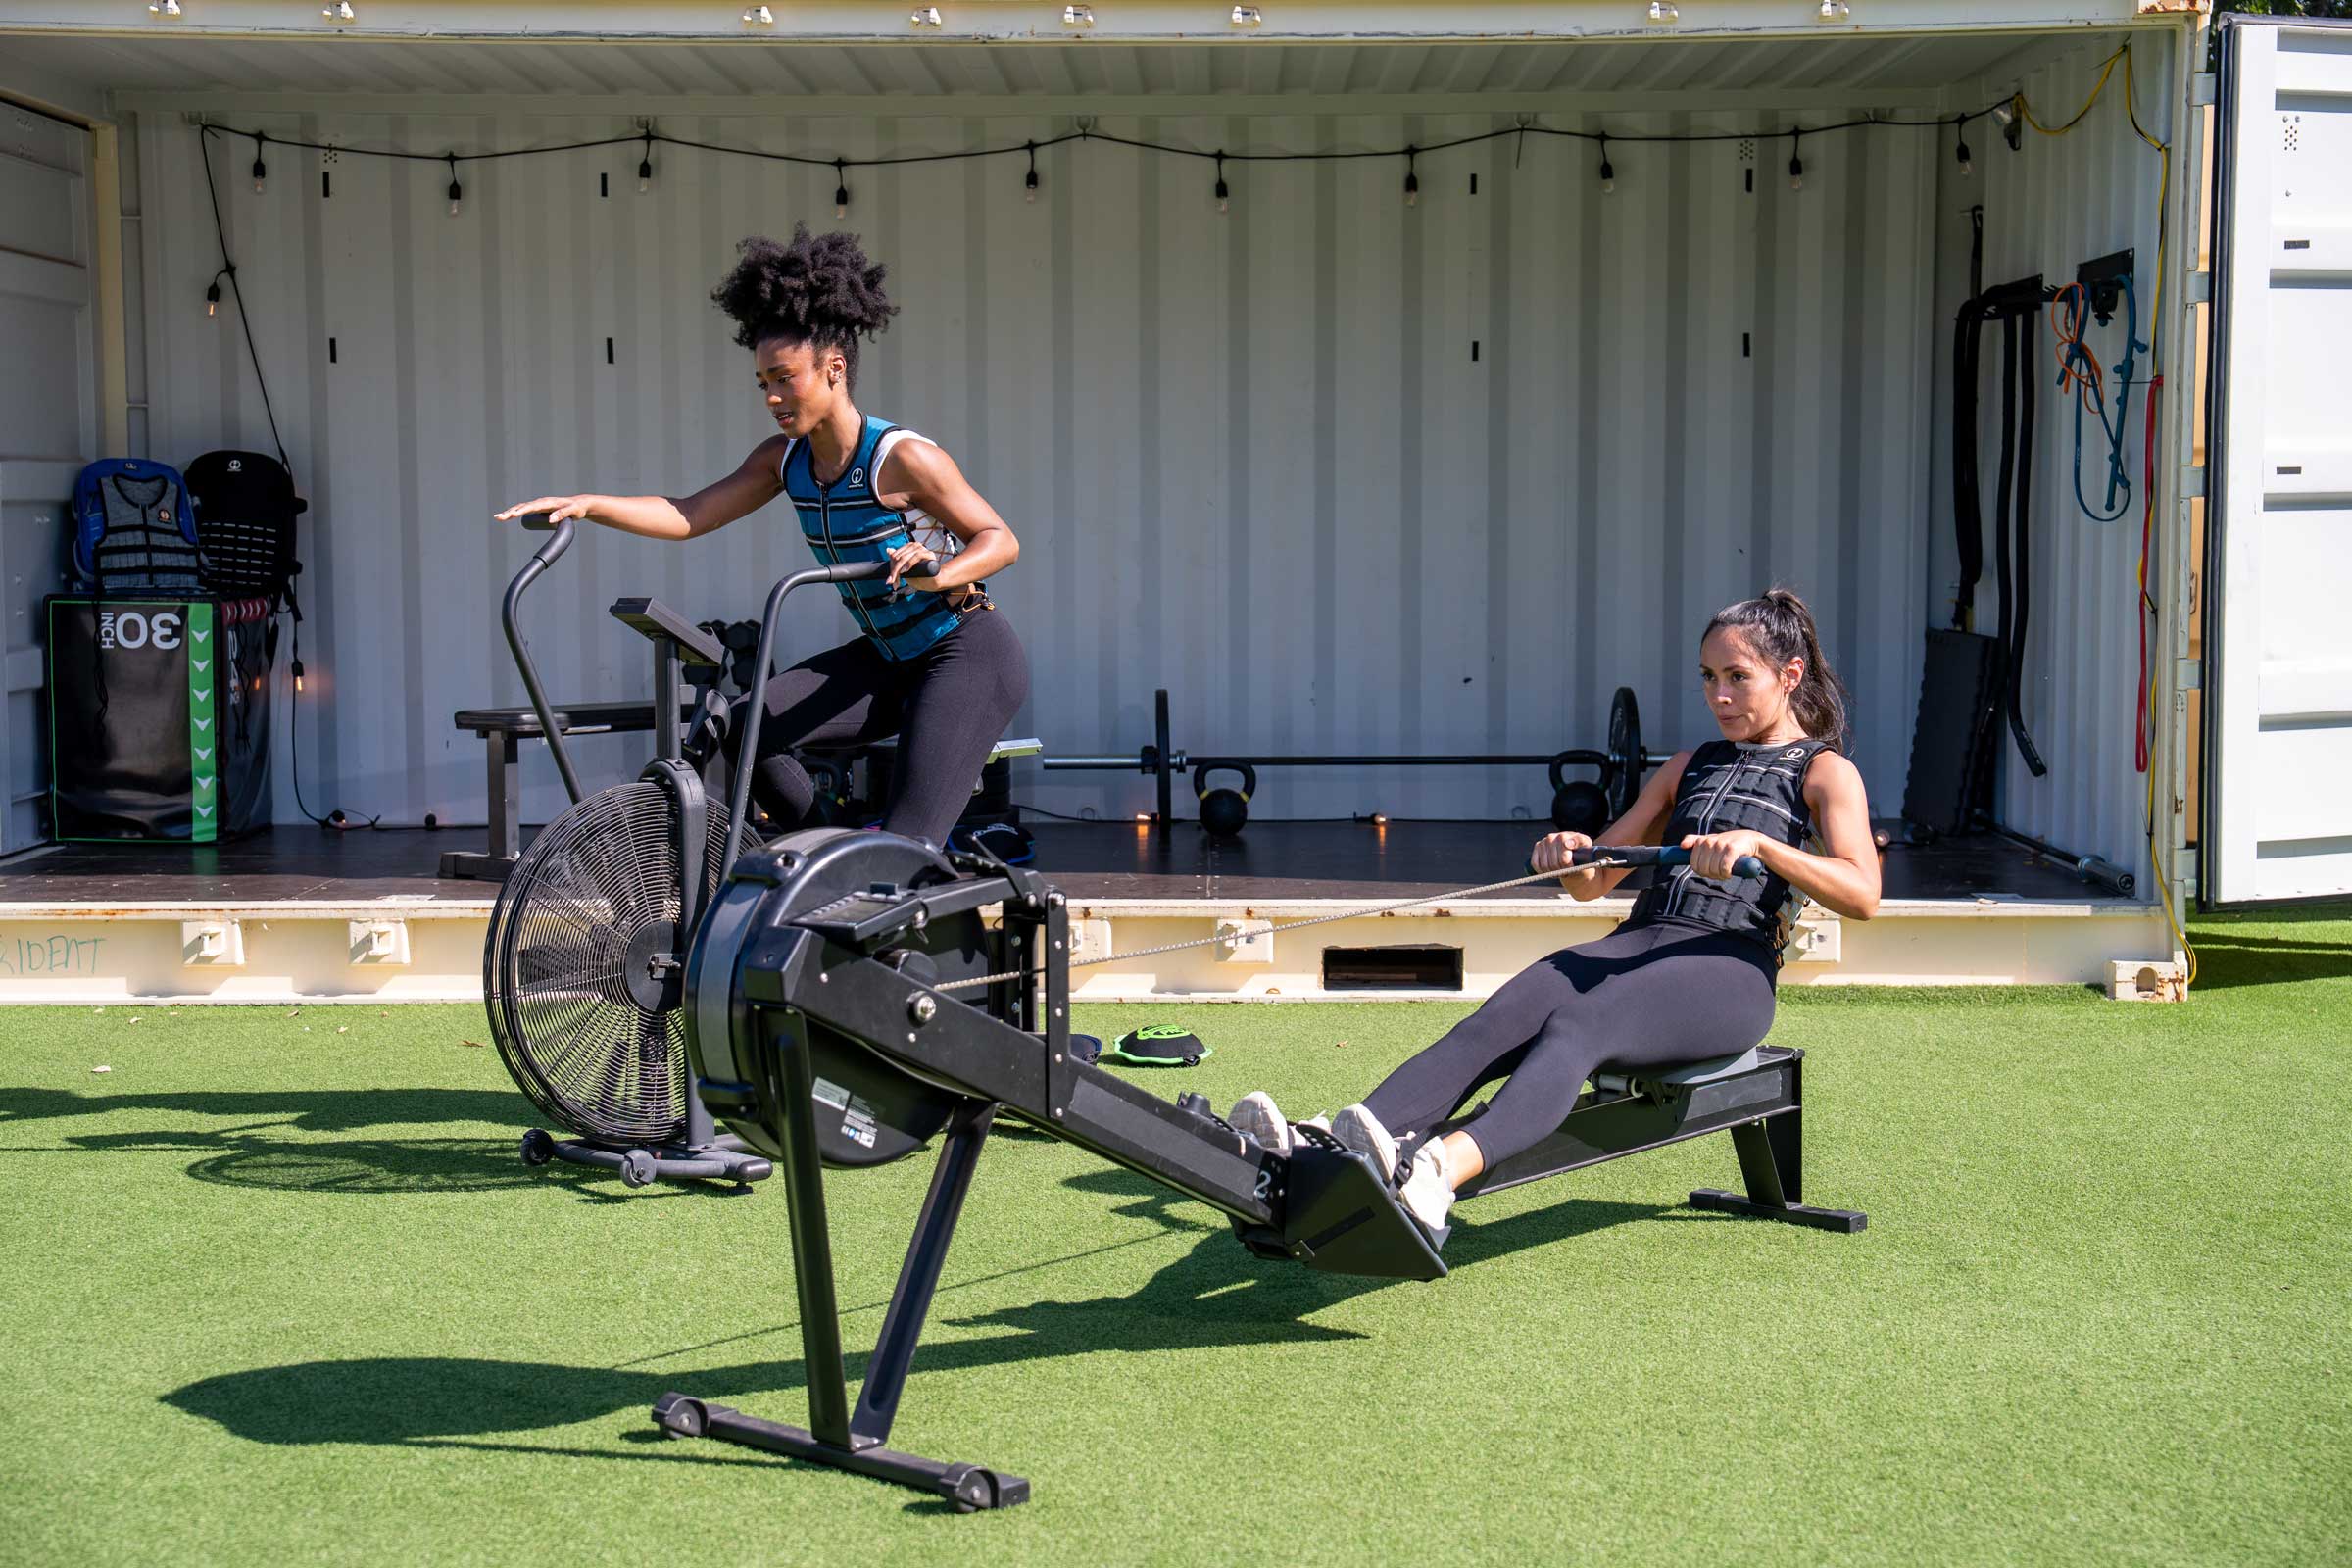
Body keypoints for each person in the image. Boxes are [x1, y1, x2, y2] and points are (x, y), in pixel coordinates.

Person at [1227, 588, 1881, 1237]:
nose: (1719, 695)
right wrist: (1569, 852)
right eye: (1708, 677)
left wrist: (1762, 846)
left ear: (1790, 675)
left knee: (1581, 1022)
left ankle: (1436, 1173)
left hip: (1730, 969)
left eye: (1738, 677)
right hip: (1642, 942)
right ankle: (1327, 1147)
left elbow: (1862, 894)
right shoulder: (1688, 767)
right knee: (1507, 1012)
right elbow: (1595, 881)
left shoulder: (1823, 773)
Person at [495, 224, 1027, 848]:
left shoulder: (901, 458)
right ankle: (832, 855)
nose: (772, 397)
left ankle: (882, 863)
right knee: (746, 730)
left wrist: (940, 573)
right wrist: (589, 505)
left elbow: (1000, 539)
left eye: (784, 378)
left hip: (966, 652)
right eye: (763, 384)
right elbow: (690, 514)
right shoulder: (784, 460)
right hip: (890, 657)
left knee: (907, 848)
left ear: (834, 368)